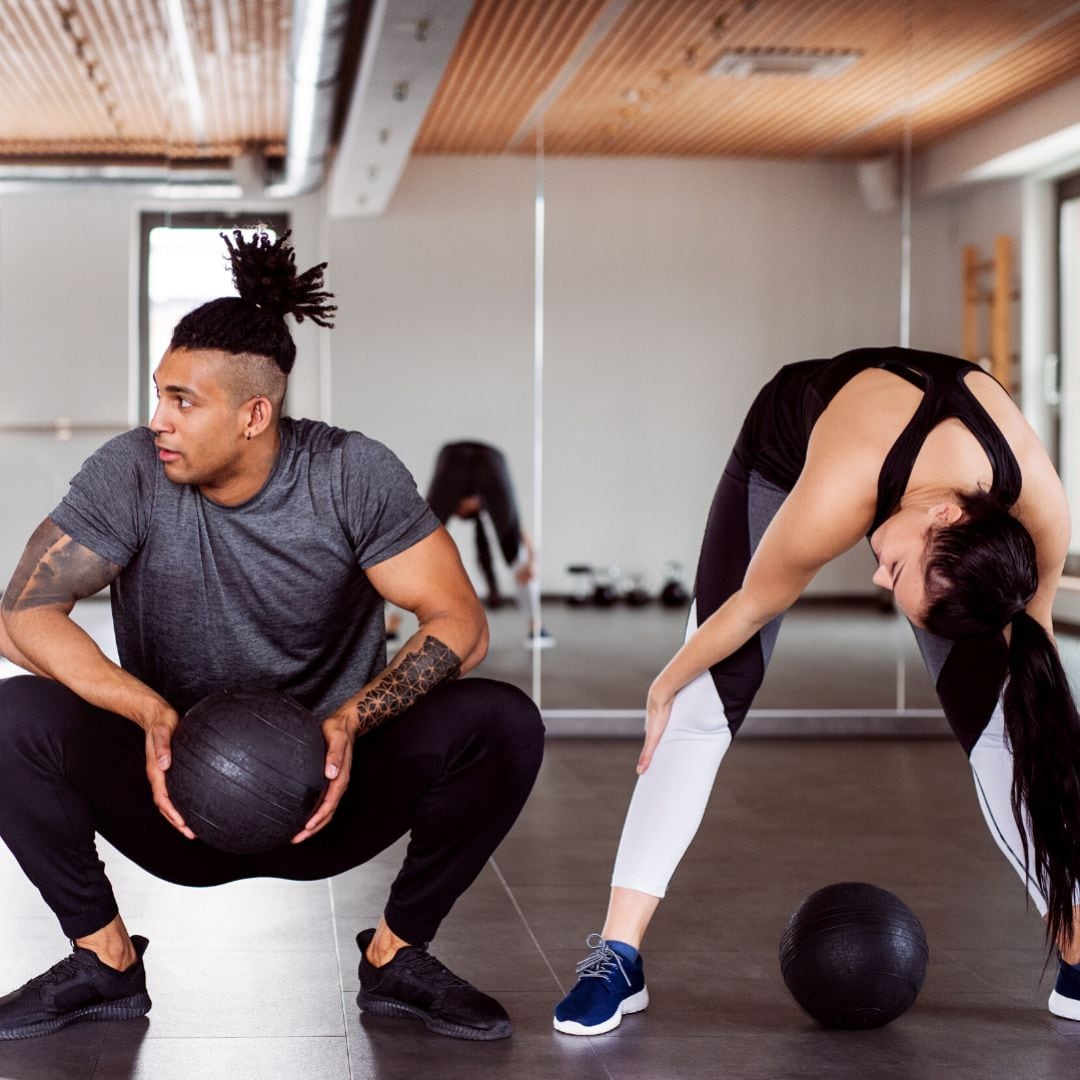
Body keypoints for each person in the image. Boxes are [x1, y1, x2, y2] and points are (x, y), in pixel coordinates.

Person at [0, 229, 544, 1043]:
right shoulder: (132, 472)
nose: (159, 420)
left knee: (502, 721)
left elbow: (460, 626)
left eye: (184, 401)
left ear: (255, 414)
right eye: (159, 394)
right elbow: (22, 614)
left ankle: (397, 956)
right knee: (12, 719)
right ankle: (103, 961)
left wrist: (348, 723)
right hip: (173, 794)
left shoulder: (349, 473)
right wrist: (150, 714)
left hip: (330, 792)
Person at [551, 346, 1080, 1035]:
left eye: (890, 578)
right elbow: (745, 609)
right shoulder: (839, 490)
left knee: (1008, 728)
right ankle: (618, 958)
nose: (876, 580)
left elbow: (1031, 656)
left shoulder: (1038, 516)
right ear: (945, 519)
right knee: (701, 698)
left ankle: (1077, 947)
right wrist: (664, 683)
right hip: (787, 448)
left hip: (908, 469)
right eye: (894, 567)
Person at [387, 441, 552, 648]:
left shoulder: (472, 494)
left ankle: (391, 629)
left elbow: (515, 528)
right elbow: (517, 528)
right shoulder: (487, 494)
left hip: (453, 456)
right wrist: (532, 562)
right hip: (491, 458)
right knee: (513, 550)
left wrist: (532, 564)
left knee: (417, 553)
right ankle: (536, 629)